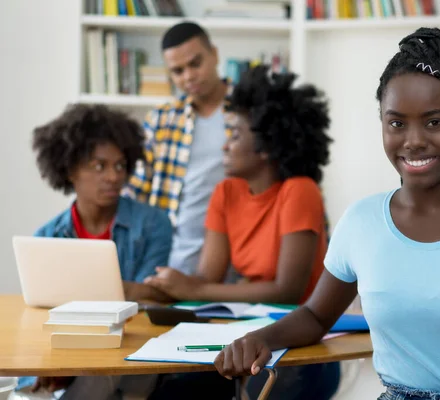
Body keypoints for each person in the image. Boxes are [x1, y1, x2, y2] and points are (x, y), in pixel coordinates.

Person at [213, 28, 440, 400]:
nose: (413, 140)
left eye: (434, 122)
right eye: (397, 123)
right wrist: (259, 339)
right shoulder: (361, 222)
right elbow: (317, 317)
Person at [143, 65, 340, 400]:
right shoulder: (226, 192)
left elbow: (287, 291)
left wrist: (198, 287)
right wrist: (164, 287)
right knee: (170, 390)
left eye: (234, 134)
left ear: (265, 146)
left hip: (297, 344)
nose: (224, 146)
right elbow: (206, 278)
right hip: (244, 337)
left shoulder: (299, 191)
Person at [20, 103, 173, 399]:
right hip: (70, 354)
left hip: (133, 353)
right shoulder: (46, 237)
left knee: (104, 372)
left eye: (120, 165)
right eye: (99, 165)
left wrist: (79, 295)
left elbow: (148, 300)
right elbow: (41, 316)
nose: (114, 176)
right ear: (68, 169)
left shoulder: (153, 224)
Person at [123, 21, 231, 276]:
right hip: (170, 265)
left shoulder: (249, 114)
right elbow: (135, 191)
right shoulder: (161, 120)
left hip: (235, 268)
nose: (188, 76)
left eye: (195, 64)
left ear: (214, 54)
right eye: (177, 71)